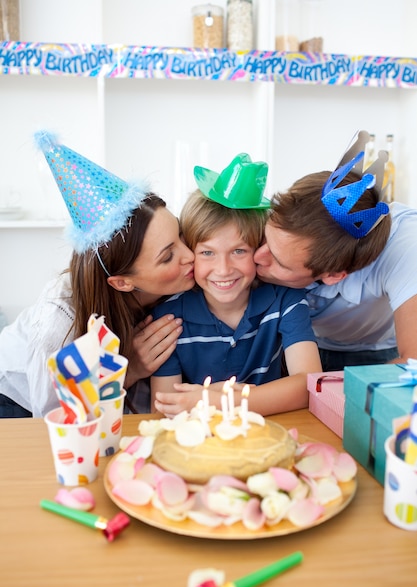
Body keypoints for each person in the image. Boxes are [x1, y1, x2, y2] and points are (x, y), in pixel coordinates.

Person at [0, 131, 194, 418]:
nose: (189, 255)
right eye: (168, 256)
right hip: (20, 406)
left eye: (180, 235)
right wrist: (129, 369)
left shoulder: (180, 281)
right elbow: (57, 416)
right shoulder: (59, 320)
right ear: (122, 282)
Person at [151, 153, 322, 417]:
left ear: (260, 249)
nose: (223, 269)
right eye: (207, 253)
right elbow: (164, 408)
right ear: (189, 251)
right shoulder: (169, 317)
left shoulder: (285, 300)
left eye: (239, 251)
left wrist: (221, 402)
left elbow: (310, 385)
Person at [254, 130, 417, 370]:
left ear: (334, 275)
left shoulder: (406, 247)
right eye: (265, 240)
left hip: (376, 352)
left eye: (279, 262)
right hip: (292, 345)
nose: (257, 256)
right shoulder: (263, 226)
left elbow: (413, 364)